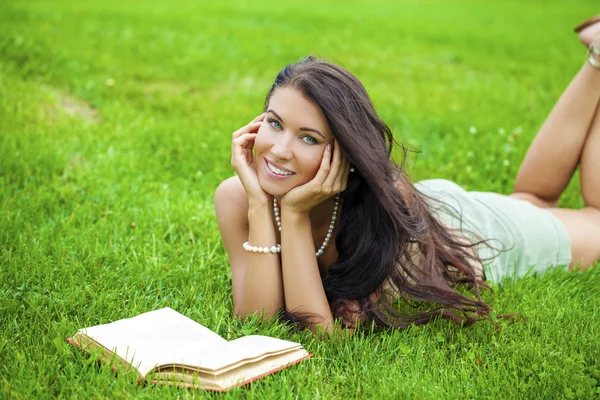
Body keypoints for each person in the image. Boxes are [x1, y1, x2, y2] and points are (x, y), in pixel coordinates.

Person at [215, 16, 600, 334]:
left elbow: (321, 333)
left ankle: (596, 58)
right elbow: (256, 322)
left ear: (343, 153)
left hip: (478, 234)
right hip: (434, 207)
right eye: (275, 123)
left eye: (309, 138)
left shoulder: (378, 208)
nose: (280, 150)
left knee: (593, 217)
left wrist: (296, 215)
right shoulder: (236, 198)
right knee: (532, 198)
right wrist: (258, 204)